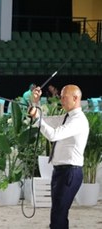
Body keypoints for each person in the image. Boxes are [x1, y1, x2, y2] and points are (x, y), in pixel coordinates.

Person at [28, 85, 89, 229]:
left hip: (70, 172)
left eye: (64, 97)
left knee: (58, 215)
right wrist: (35, 103)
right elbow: (45, 120)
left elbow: (53, 135)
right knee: (58, 214)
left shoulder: (78, 120)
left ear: (75, 98)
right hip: (61, 172)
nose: (61, 99)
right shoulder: (66, 117)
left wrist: (37, 117)